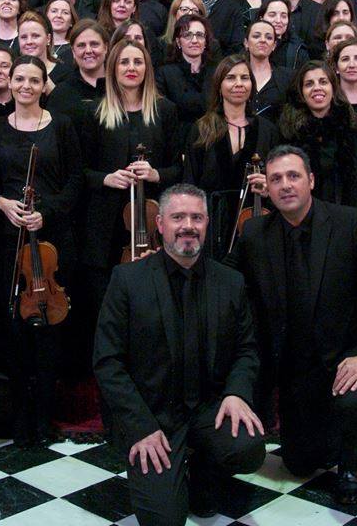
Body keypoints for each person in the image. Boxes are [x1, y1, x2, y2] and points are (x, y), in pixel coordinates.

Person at [229, 145, 357, 504]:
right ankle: (339, 434)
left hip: (343, 363)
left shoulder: (348, 223)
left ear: (311, 180)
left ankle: (351, 458)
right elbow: (224, 282)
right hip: (293, 372)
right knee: (300, 464)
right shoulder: (254, 233)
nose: (285, 185)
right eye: (276, 179)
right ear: (267, 187)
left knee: (355, 404)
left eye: (293, 176)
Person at [94, 183, 266, 525]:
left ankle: (204, 469)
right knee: (164, 520)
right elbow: (107, 362)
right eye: (178, 217)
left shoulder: (230, 282)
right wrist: (141, 427)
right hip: (153, 416)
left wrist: (236, 393)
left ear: (207, 224)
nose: (188, 225)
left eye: (196, 218)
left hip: (206, 408)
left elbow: (247, 349)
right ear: (160, 224)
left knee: (248, 449)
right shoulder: (127, 279)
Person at [0, 55, 83, 445]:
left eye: (34, 80)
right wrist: (3, 203)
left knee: (51, 329)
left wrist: (47, 213)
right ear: (9, 82)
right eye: (19, 78)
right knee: (13, 329)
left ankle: (44, 416)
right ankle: (20, 416)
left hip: (53, 239)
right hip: (8, 239)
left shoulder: (62, 125)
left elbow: (74, 182)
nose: (26, 86)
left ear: (44, 85)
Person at [79, 39, 180, 373]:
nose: (131, 68)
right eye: (124, 62)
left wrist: (155, 174)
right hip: (106, 226)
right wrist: (106, 178)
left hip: (151, 224)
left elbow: (179, 169)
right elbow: (79, 171)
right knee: (105, 307)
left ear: (147, 69)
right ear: (113, 68)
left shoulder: (165, 111)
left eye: (138, 62)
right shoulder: (95, 112)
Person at [184, 55, 281, 259]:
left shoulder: (268, 130)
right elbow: (190, 181)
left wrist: (268, 187)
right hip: (211, 226)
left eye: (244, 78)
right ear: (219, 86)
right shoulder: (201, 129)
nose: (239, 84)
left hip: (254, 221)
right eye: (230, 78)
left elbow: (278, 180)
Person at [279, 61, 357, 219]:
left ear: (333, 87)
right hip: (304, 218)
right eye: (309, 84)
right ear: (301, 92)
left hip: (348, 217)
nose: (317, 88)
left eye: (323, 82)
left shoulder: (355, 126)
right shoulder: (290, 131)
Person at [156, 14, 216, 146]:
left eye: (200, 35)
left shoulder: (216, 73)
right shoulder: (165, 74)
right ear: (178, 42)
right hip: (177, 142)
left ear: (206, 41)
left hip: (212, 141)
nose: (194, 40)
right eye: (187, 35)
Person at [45, 19, 108, 132]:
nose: (88, 50)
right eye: (81, 45)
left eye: (94, 44)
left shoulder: (120, 88)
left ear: (105, 48)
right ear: (73, 52)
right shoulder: (61, 95)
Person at [244, 20, 293, 121]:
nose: (263, 40)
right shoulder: (234, 76)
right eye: (256, 36)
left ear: (274, 45)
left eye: (269, 37)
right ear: (246, 43)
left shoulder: (288, 77)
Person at [18, 11, 71, 89]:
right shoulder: (13, 71)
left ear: (48, 39)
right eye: (24, 37)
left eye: (35, 36)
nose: (29, 42)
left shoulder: (65, 73)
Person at [258, 0, 309, 70]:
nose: (278, 20)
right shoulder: (251, 46)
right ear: (261, 18)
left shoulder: (298, 50)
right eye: (272, 15)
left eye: (283, 16)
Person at [44, 0, 78, 67]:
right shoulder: (37, 44)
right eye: (54, 11)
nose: (59, 15)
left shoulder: (76, 48)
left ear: (71, 21)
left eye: (65, 13)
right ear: (46, 16)